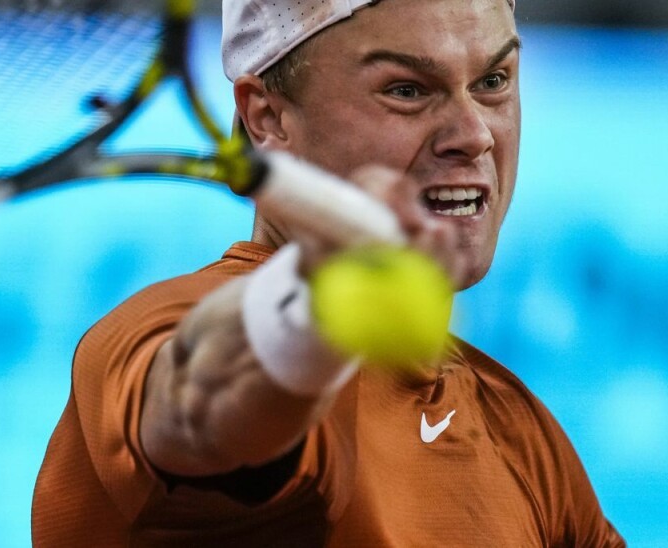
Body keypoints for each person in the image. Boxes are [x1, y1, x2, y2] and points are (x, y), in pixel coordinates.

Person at [31, 0, 626, 545]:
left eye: (493, 82)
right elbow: (196, 404)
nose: (473, 136)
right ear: (267, 119)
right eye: (407, 89)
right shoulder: (149, 334)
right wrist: (309, 309)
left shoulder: (525, 440)